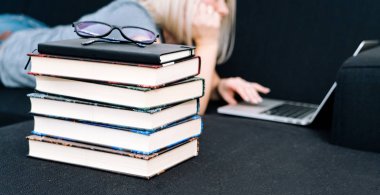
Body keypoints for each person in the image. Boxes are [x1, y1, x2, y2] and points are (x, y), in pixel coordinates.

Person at [0, 0, 270, 114]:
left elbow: (186, 78)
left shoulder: (171, 33)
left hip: (27, 27)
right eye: (214, 0)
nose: (222, 11)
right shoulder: (133, 26)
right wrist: (208, 43)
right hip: (7, 43)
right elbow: (182, 109)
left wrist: (218, 86)